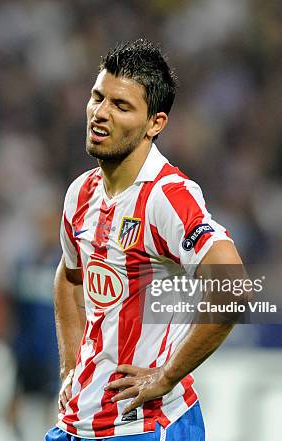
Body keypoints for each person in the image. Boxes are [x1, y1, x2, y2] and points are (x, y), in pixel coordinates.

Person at [46, 39, 244, 441]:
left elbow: (233, 289)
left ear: (156, 123)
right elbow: (69, 279)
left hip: (145, 425)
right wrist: (70, 367)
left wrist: (167, 376)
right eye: (97, 97)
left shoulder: (166, 197)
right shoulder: (81, 193)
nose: (100, 114)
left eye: (121, 106)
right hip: (77, 425)